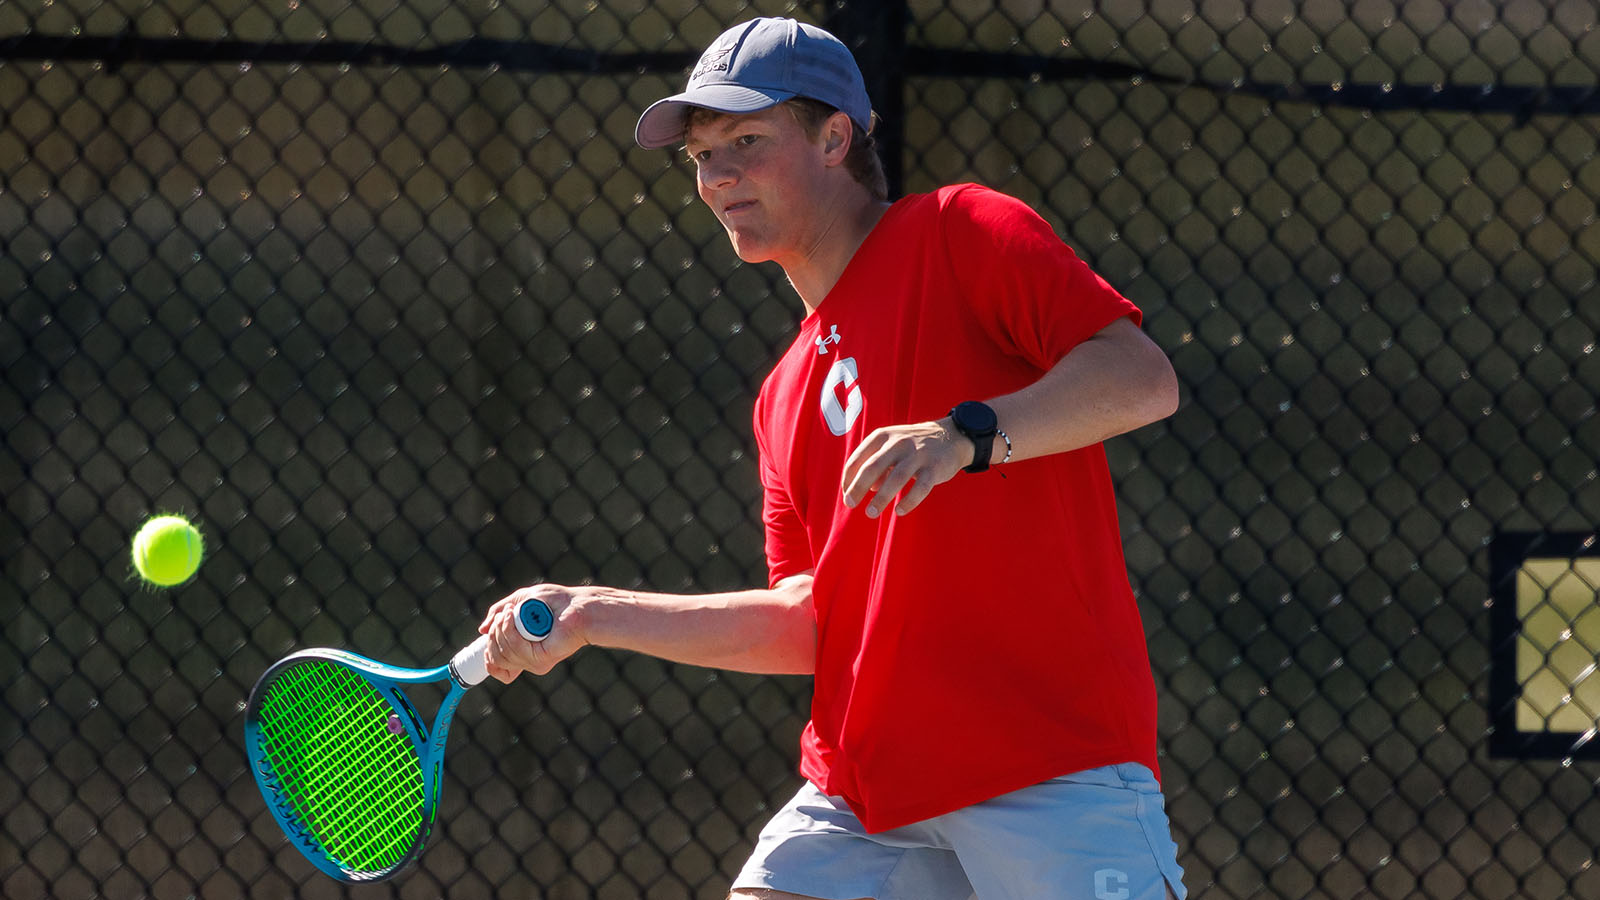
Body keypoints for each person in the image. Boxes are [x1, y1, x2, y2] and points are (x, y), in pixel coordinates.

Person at [480, 16, 1187, 900]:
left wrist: (966, 433)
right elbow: (808, 621)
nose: (718, 177)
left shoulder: (960, 229)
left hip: (1046, 767)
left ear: (835, 137)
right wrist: (592, 614)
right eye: (701, 156)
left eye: (745, 141)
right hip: (865, 794)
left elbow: (1141, 377)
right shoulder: (781, 397)